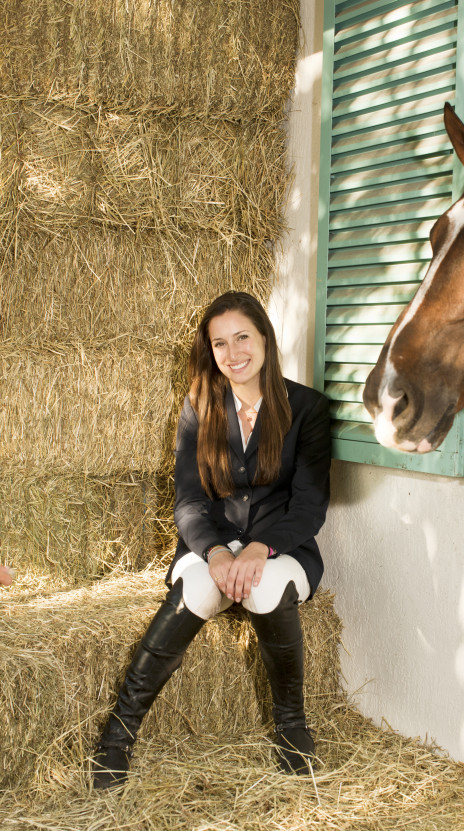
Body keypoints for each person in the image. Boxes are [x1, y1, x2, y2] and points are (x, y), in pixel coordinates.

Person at [93, 291, 331, 790]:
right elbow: (188, 501)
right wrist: (218, 551)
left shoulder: (308, 408)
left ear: (265, 337)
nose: (232, 352)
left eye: (242, 336)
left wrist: (258, 550)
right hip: (210, 550)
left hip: (281, 552)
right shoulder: (199, 407)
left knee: (265, 589)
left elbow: (308, 508)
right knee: (198, 591)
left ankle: (292, 729)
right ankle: (119, 734)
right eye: (219, 343)